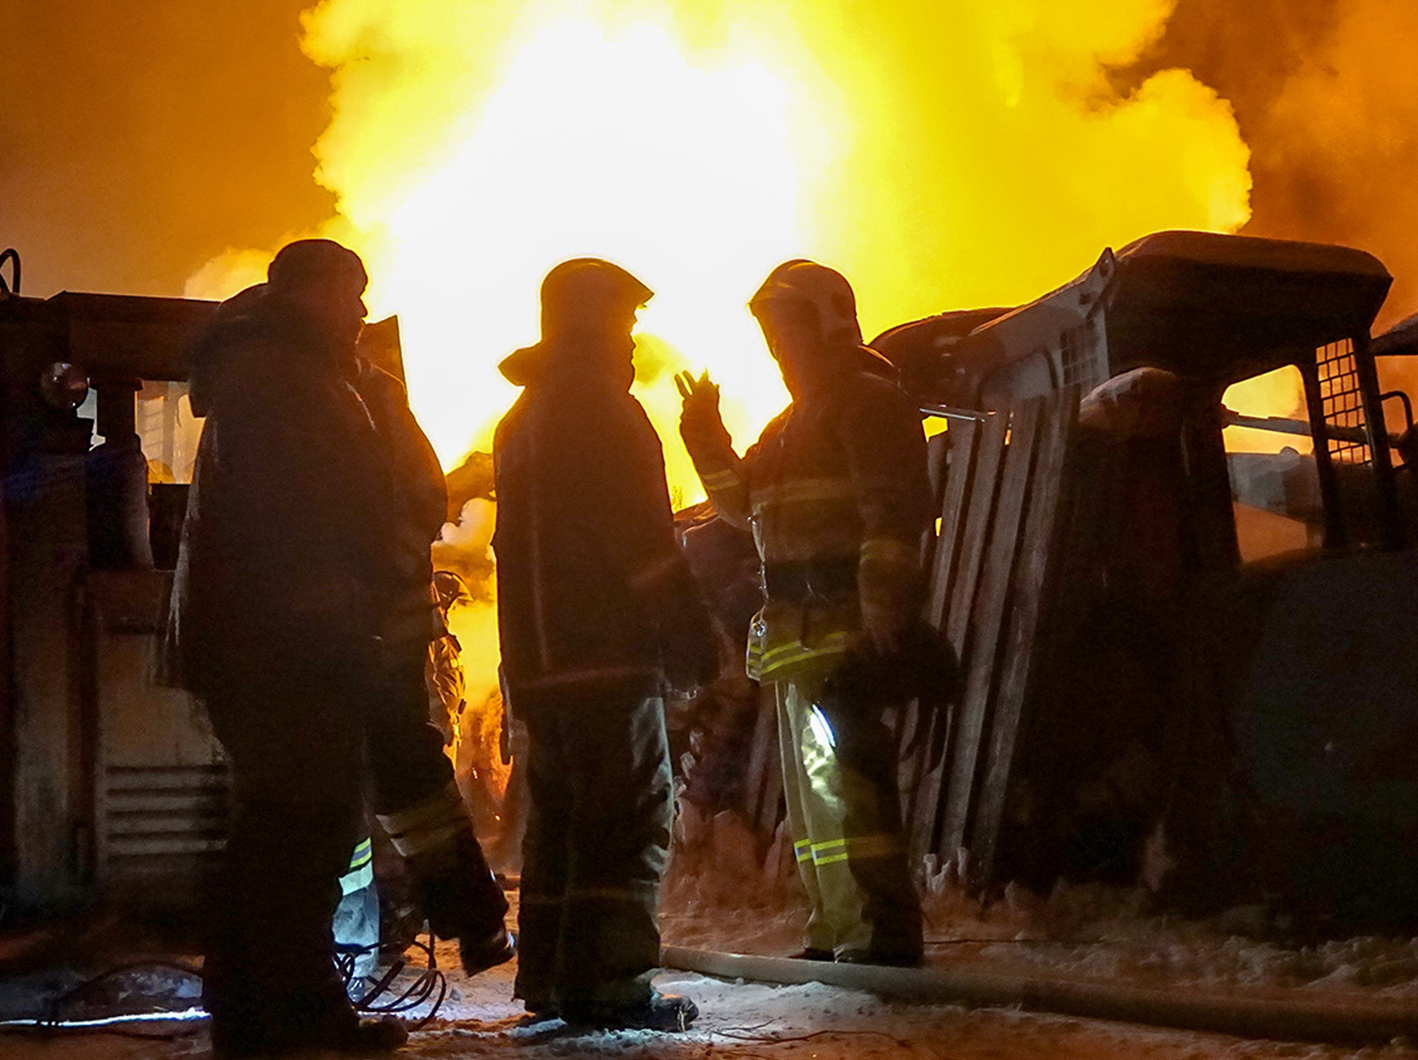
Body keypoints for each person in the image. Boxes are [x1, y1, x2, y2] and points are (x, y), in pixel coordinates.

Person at [168, 238, 508, 1057]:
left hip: (276, 640)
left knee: (283, 823)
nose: (361, 311)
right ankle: (293, 1013)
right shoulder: (283, 382)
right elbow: (314, 519)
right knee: (304, 824)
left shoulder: (293, 374)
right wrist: (359, 600)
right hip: (283, 645)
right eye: (350, 294)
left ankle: (253, 1009)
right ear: (311, 293)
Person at [676, 260, 931, 966]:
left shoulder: (867, 402)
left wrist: (885, 610)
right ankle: (837, 926)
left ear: (828, 319)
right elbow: (738, 505)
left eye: (786, 327)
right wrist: (705, 437)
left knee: (855, 792)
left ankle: (884, 930)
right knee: (817, 799)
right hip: (795, 634)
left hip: (846, 626)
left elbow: (891, 515)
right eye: (768, 331)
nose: (776, 345)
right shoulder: (789, 424)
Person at [492, 258, 715, 1029]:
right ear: (595, 320)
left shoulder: (520, 421)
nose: (631, 338)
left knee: (560, 828)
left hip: (542, 669)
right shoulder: (603, 411)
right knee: (625, 822)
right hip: (609, 658)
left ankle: (553, 980)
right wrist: (691, 639)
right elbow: (643, 543)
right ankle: (612, 984)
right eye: (623, 320)